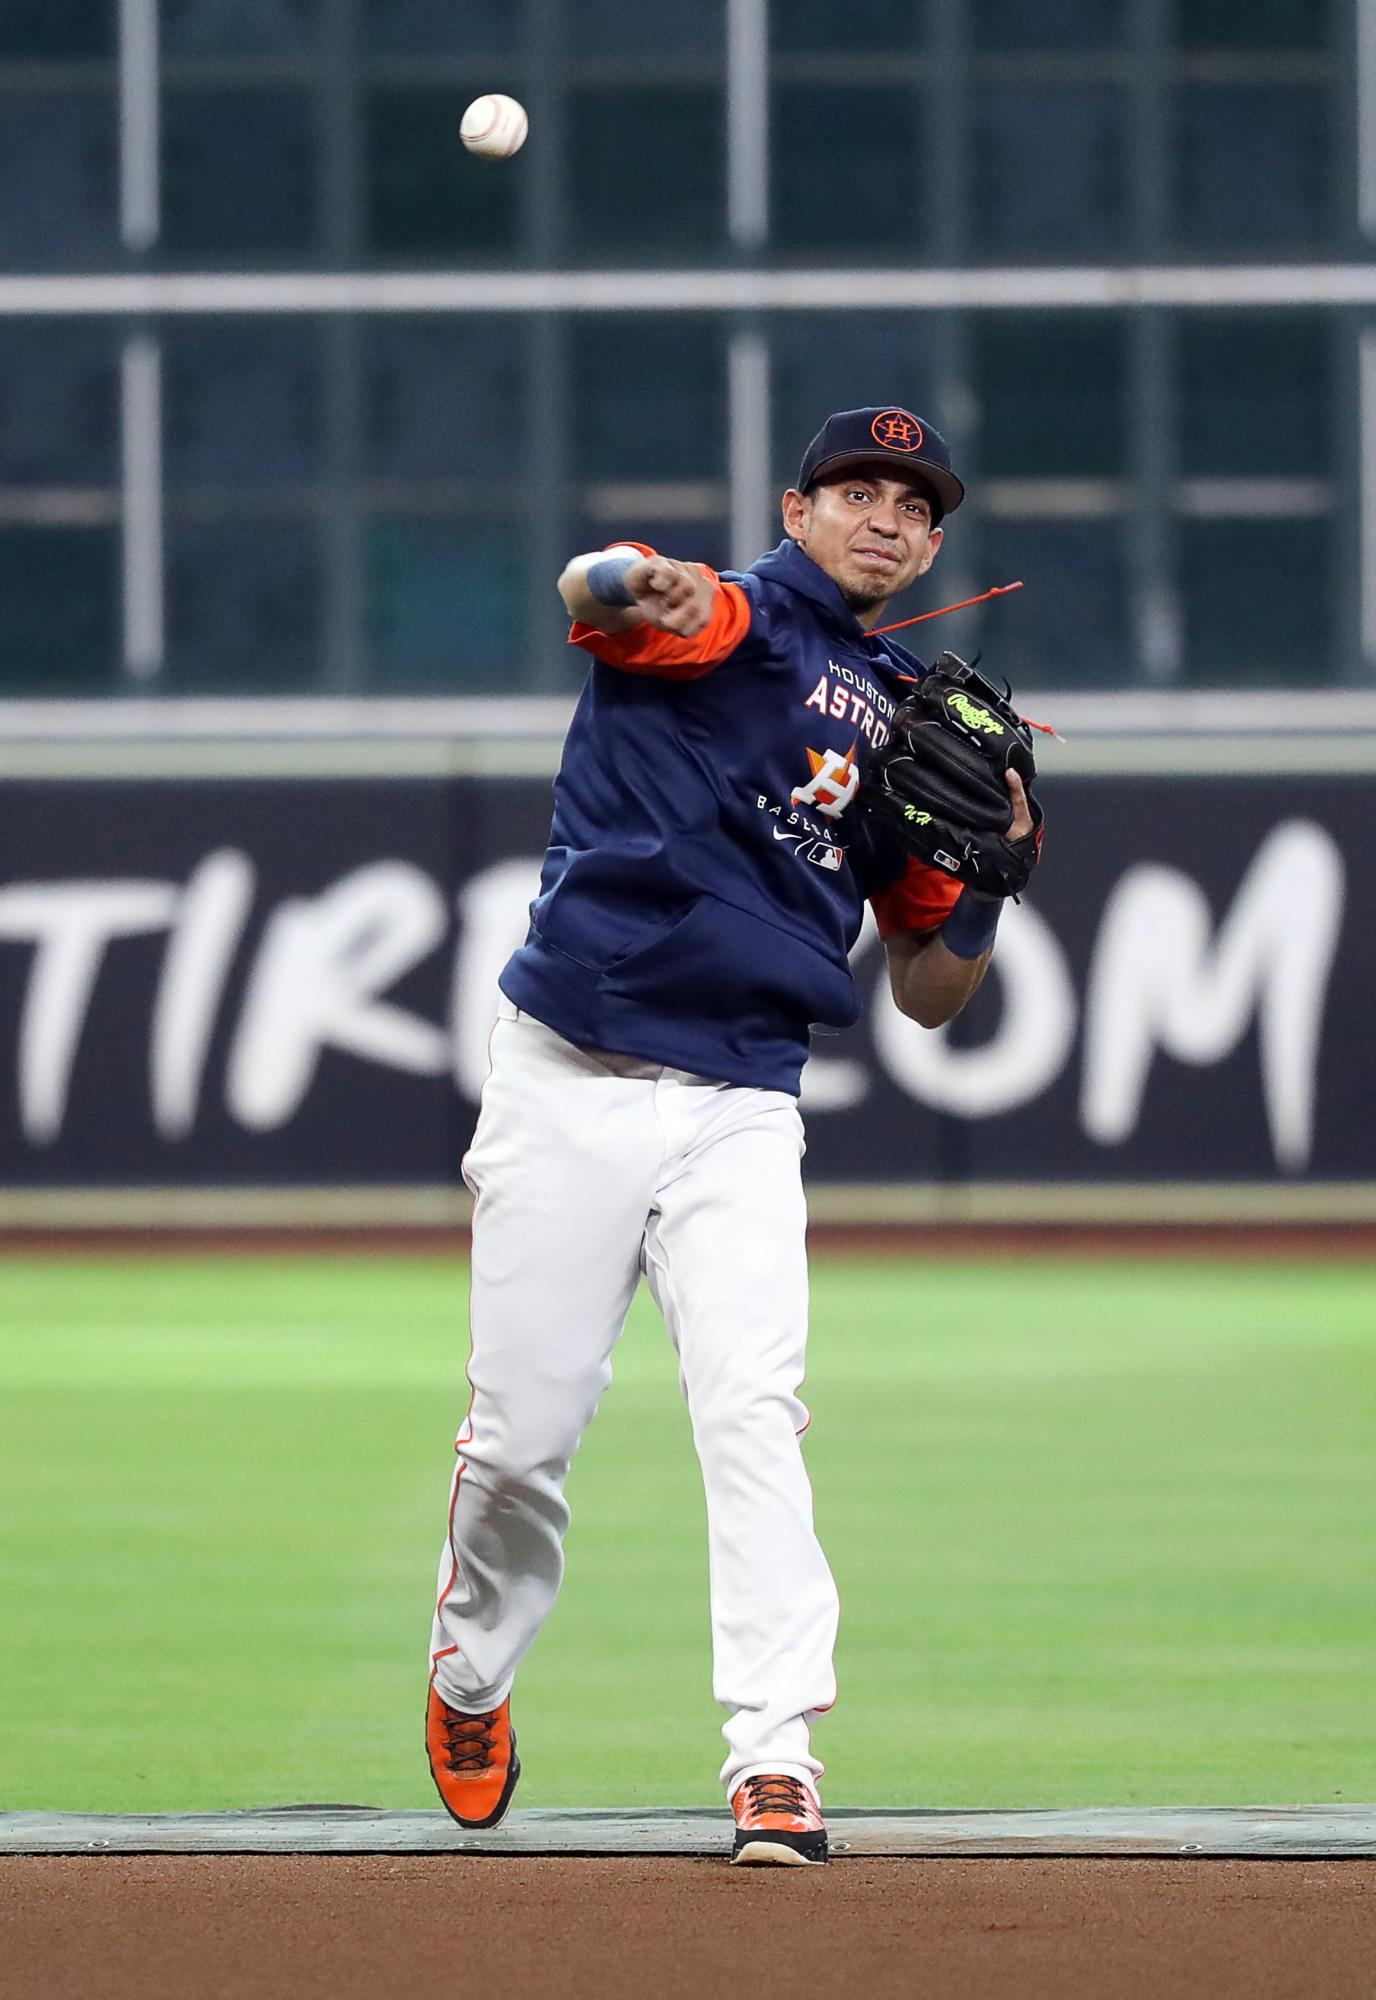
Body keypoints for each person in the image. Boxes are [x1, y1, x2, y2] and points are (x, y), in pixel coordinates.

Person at [424, 406, 1034, 1866]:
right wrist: (642, 584)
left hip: (745, 1103)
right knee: (521, 1442)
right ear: (799, 506)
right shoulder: (733, 624)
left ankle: (777, 1759)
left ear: (937, 543)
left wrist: (996, 878)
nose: (886, 517)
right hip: (570, 1072)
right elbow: (591, 593)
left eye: (914, 504)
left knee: (753, 1414)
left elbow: (934, 998)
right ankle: (468, 1673)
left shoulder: (907, 712)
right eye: (857, 491)